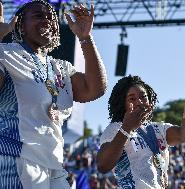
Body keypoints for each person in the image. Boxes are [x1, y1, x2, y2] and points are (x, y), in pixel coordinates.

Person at [0, 0, 107, 188]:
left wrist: (85, 37)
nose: (48, 20)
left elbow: (94, 88)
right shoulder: (6, 54)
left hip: (54, 166)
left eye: (51, 17)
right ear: (21, 27)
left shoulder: (60, 67)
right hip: (17, 160)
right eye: (38, 16)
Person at [97, 75, 185, 189]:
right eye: (132, 99)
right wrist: (127, 128)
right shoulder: (115, 129)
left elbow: (183, 135)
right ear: (122, 103)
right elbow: (103, 165)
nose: (139, 102)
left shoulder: (158, 128)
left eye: (143, 97)